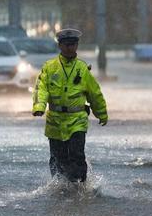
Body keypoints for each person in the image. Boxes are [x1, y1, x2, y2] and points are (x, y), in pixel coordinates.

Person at [31, 28, 108, 183]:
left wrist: (101, 113)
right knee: (57, 158)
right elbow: (41, 88)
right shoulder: (50, 67)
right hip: (55, 122)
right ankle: (59, 186)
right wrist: (39, 106)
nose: (69, 48)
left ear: (77, 45)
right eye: (66, 44)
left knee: (77, 154)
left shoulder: (82, 69)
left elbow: (95, 93)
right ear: (60, 46)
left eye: (73, 44)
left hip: (77, 120)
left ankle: (79, 186)